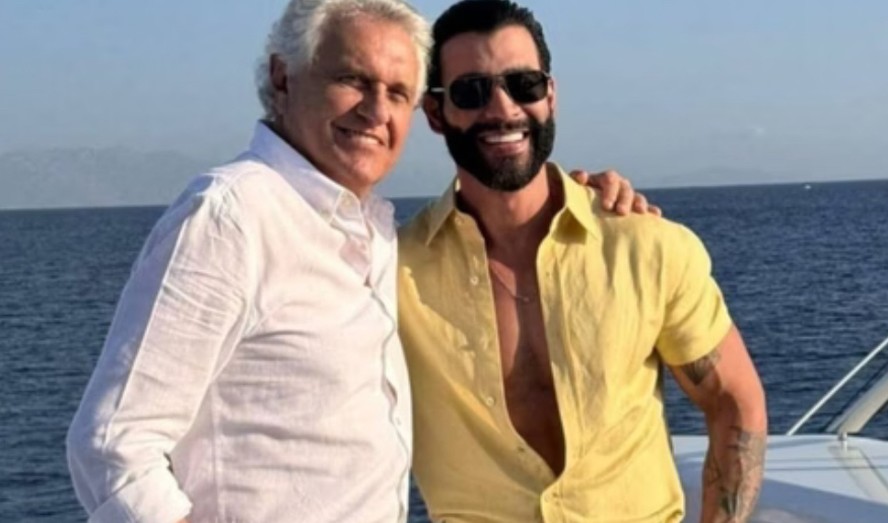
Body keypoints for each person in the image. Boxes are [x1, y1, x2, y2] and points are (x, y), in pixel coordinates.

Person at [65, 1, 647, 522]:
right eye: (352, 80)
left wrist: (579, 196)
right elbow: (112, 446)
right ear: (282, 78)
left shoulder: (374, 232)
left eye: (397, 92)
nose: (375, 111)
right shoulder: (233, 215)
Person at [397, 1, 769, 522]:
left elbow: (734, 401)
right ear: (436, 113)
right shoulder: (391, 273)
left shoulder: (647, 248)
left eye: (524, 84)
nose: (503, 109)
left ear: (550, 95)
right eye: (471, 91)